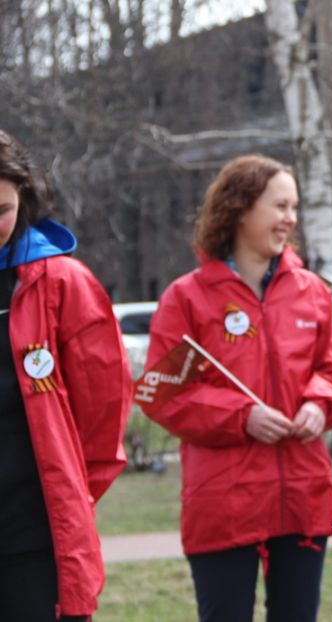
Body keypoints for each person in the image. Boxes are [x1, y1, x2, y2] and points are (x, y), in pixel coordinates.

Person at [145, 154, 332, 622]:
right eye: (280, 206)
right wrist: (241, 417)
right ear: (239, 209)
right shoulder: (187, 298)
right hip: (223, 503)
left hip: (302, 496)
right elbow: (163, 393)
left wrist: (320, 403)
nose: (290, 219)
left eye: (294, 207)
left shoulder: (312, 292)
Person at [0, 129, 131, 621]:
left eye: (1, 211)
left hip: (33, 541)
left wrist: (67, 493)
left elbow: (104, 414)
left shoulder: (63, 283)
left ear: (25, 199)